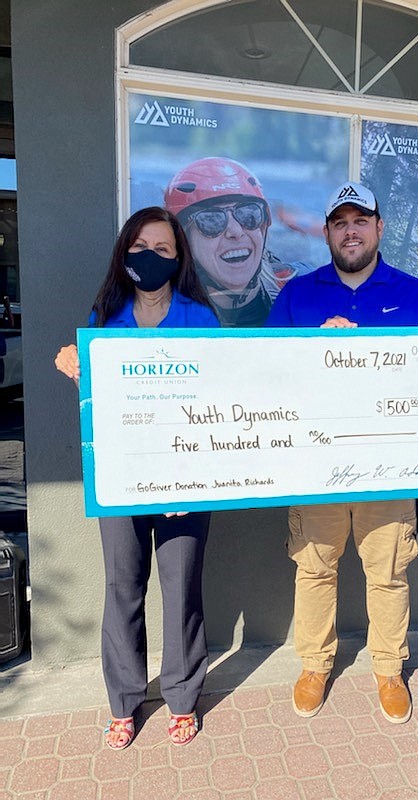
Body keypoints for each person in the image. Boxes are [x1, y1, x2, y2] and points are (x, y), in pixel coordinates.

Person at [266, 181, 418, 724]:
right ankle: (316, 664)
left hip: (389, 470)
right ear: (327, 233)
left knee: (388, 574)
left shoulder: (412, 293)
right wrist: (313, 349)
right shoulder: (298, 294)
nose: (351, 230)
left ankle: (389, 669)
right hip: (315, 467)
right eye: (340, 222)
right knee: (314, 570)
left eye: (360, 220)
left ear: (379, 228)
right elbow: (263, 371)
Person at [54, 206, 220, 749]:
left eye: (163, 249)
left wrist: (186, 480)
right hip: (122, 480)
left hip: (187, 481)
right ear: (126, 252)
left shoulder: (201, 318)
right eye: (141, 247)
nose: (151, 257)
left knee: (181, 589)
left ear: (178, 259)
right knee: (122, 587)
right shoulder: (105, 317)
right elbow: (96, 399)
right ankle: (124, 700)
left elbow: (224, 399)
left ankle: (181, 696)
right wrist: (73, 362)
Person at [164, 156, 301, 327]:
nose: (236, 232)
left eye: (249, 214)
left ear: (263, 227)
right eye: (211, 220)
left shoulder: (299, 289)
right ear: (184, 240)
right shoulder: (161, 310)